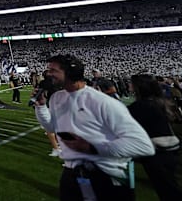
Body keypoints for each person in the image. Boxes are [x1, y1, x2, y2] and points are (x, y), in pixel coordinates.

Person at [34, 54, 155, 201]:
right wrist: (41, 107)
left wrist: (92, 147)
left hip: (105, 174)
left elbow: (142, 145)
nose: (48, 74)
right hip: (71, 173)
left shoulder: (101, 102)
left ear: (71, 73)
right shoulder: (57, 98)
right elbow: (52, 127)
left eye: (53, 71)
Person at [127, 74, 181, 201]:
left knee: (168, 191)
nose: (129, 86)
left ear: (139, 87)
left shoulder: (140, 106)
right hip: (170, 150)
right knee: (169, 189)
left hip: (157, 152)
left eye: (132, 83)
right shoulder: (159, 102)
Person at [34, 69, 62, 157]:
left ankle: (56, 148)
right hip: (58, 106)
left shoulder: (45, 83)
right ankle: (59, 146)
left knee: (51, 130)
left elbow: (40, 92)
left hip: (51, 106)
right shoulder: (58, 82)